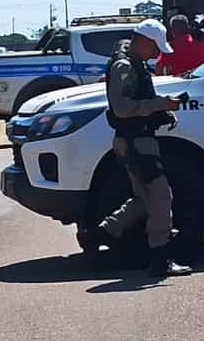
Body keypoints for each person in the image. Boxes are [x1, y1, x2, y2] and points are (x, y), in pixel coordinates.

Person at [79, 19, 191, 278]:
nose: (158, 54)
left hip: (135, 141)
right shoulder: (125, 67)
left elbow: (136, 103)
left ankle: (99, 234)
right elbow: (123, 108)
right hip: (135, 144)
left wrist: (163, 113)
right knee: (161, 196)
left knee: (144, 199)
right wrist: (161, 105)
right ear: (144, 41)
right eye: (156, 47)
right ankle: (160, 258)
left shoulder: (133, 64)